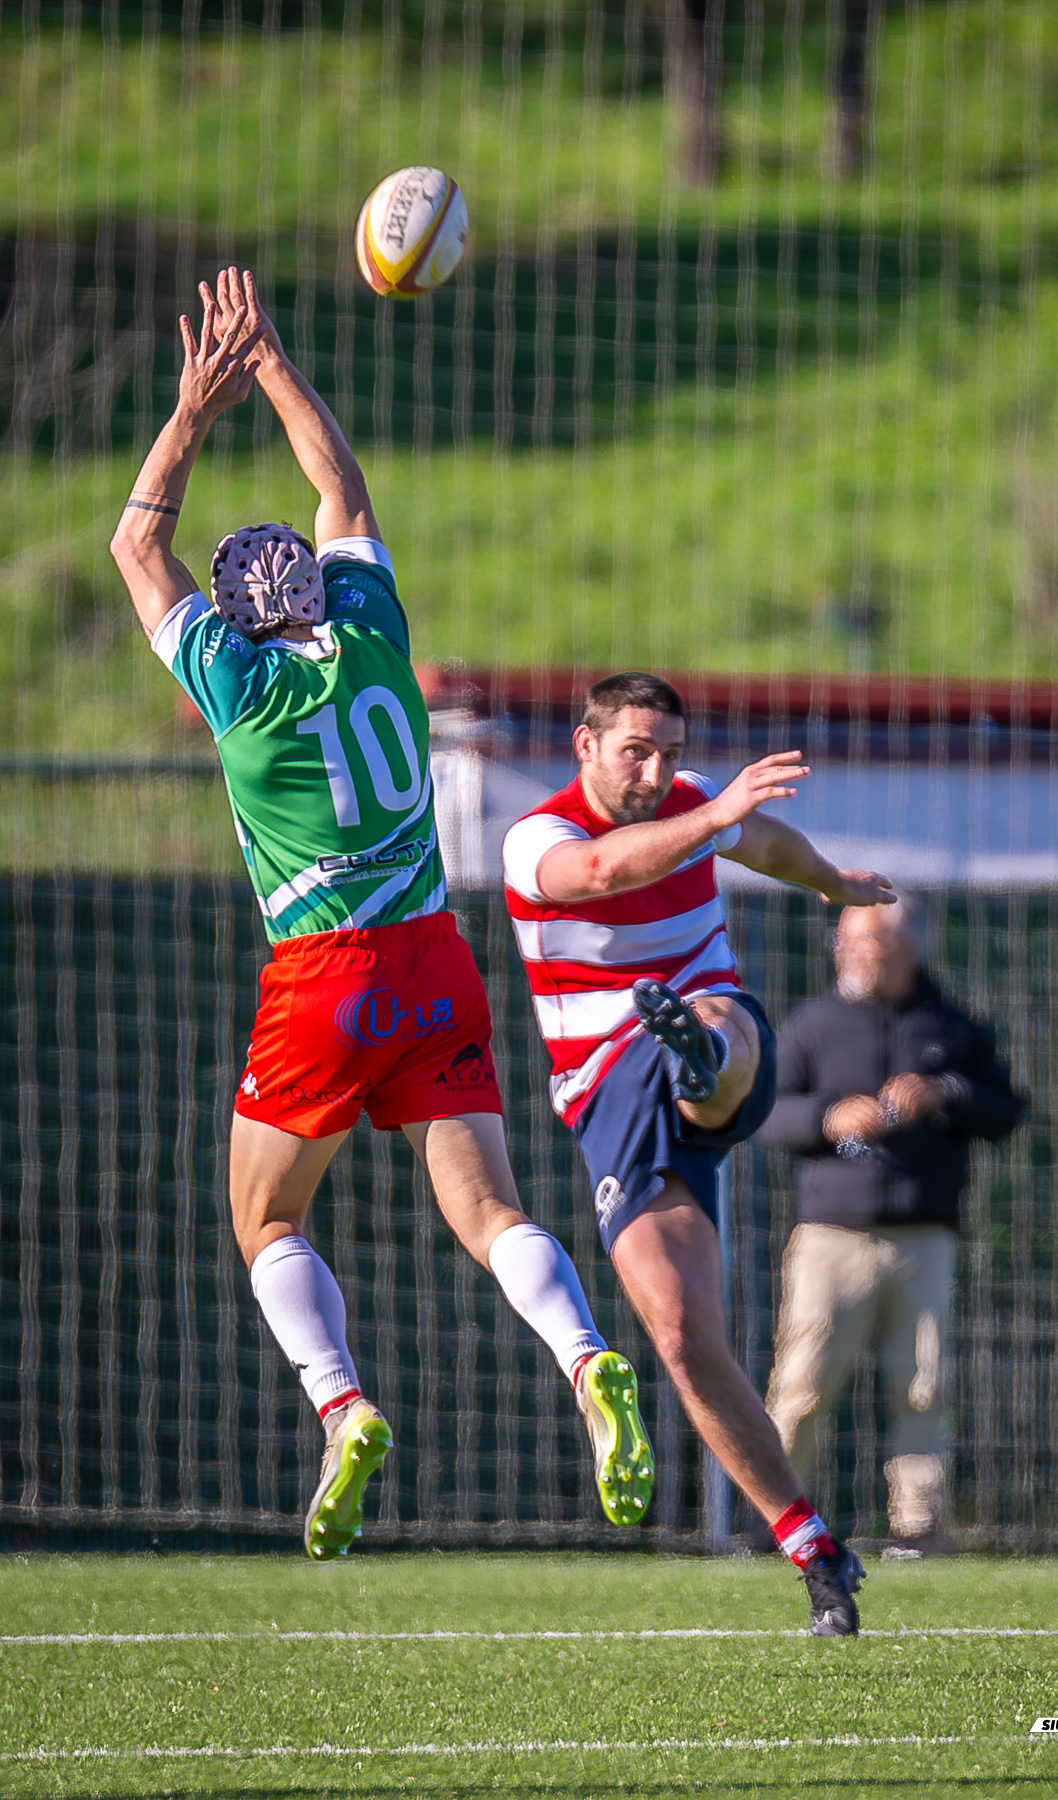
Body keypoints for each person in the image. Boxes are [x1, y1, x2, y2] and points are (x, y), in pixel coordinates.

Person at [109, 267, 653, 1560]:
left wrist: (192, 407)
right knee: (488, 1211)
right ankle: (584, 1363)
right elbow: (340, 488)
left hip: (324, 977)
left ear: (237, 619)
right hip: (434, 956)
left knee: (268, 1219)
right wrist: (277, 364)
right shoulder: (370, 633)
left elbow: (138, 544)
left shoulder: (237, 690)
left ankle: (342, 1405)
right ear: (316, 584)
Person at [502, 671, 894, 1635]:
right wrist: (713, 808)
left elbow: (760, 840)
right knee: (682, 1339)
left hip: (708, 1041)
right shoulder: (538, 836)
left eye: (670, 753)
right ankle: (814, 1552)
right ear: (583, 744)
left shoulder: (694, 808)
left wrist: (832, 884)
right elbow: (602, 876)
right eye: (636, 749)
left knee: (720, 1015)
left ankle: (700, 1052)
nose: (656, 769)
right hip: (606, 1099)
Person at [761, 893, 1024, 1557]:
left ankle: (917, 1529)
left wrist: (947, 1092)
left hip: (923, 1237)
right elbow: (764, 1113)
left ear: (905, 946)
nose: (848, 950)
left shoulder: (951, 1027)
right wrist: (826, 1118)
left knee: (921, 1387)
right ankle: (778, 1521)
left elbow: (1005, 1111)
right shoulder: (815, 1024)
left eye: (866, 938)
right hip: (830, 1238)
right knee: (802, 1384)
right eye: (843, 938)